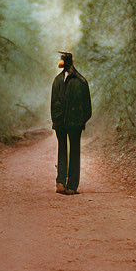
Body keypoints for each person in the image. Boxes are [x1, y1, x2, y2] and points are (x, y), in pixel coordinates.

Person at [50, 51, 92, 195]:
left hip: (74, 123)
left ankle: (72, 185)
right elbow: (53, 103)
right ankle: (61, 182)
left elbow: (88, 109)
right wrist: (55, 120)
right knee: (63, 150)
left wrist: (80, 121)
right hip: (61, 122)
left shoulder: (81, 81)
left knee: (73, 152)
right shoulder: (58, 80)